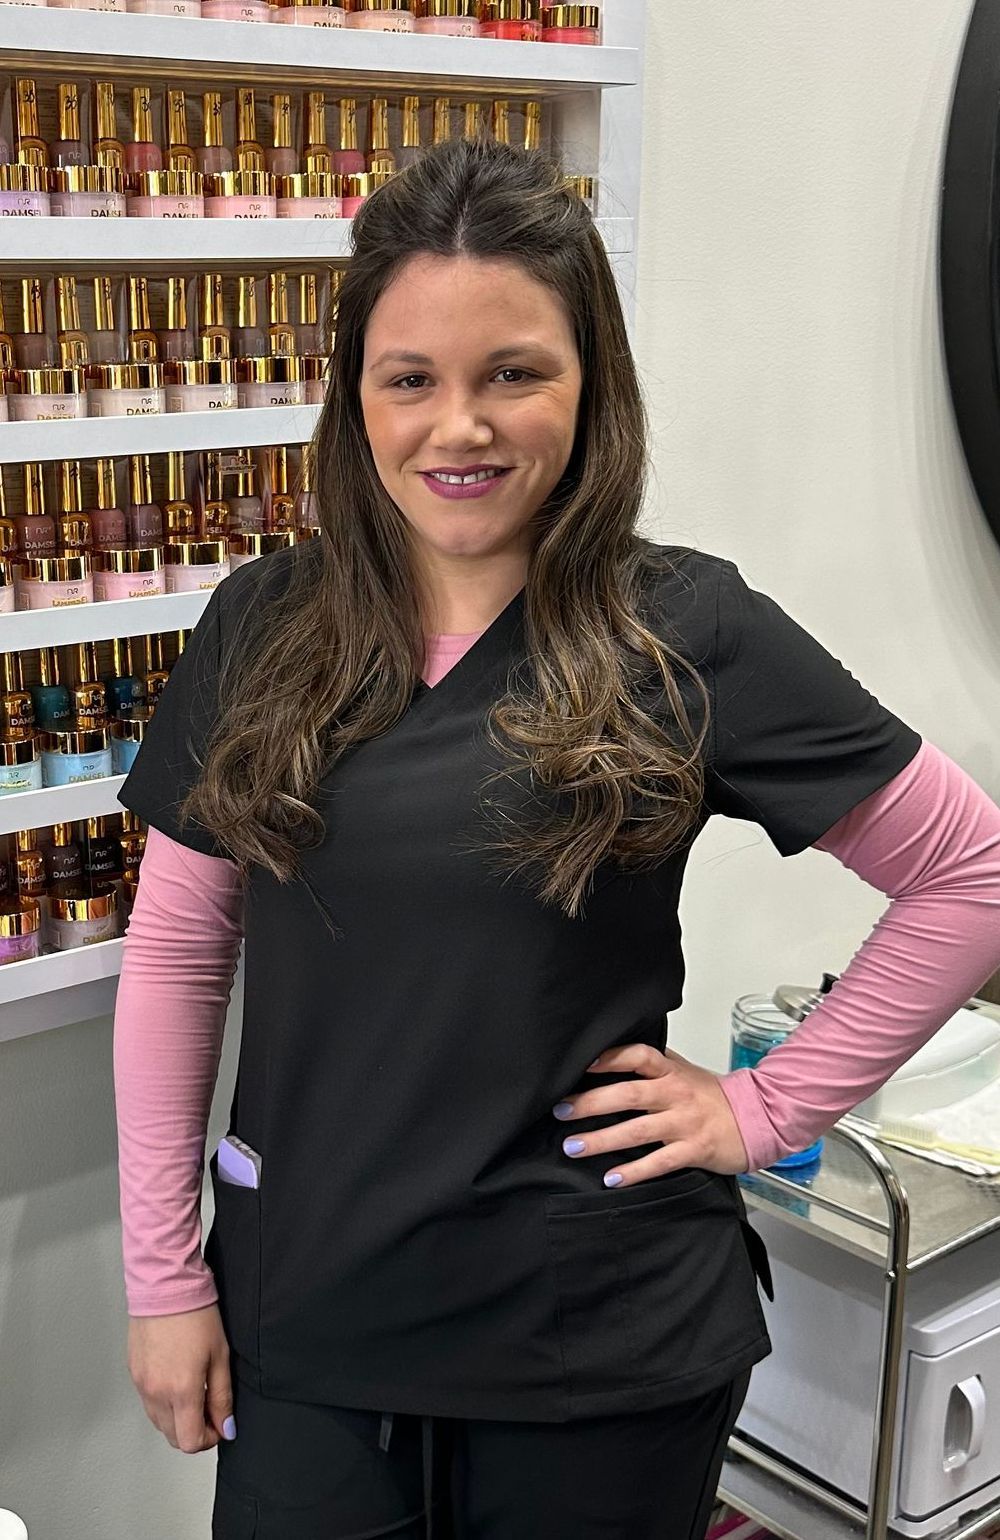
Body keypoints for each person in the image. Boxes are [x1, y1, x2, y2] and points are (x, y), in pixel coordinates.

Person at [113, 137, 1000, 1540]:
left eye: (513, 373)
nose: (458, 427)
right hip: (309, 1320)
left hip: (595, 1340)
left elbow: (970, 873)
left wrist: (767, 1110)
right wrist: (165, 1278)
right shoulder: (262, 627)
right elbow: (175, 956)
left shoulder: (684, 631)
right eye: (411, 379)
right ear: (355, 395)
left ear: (591, 384)